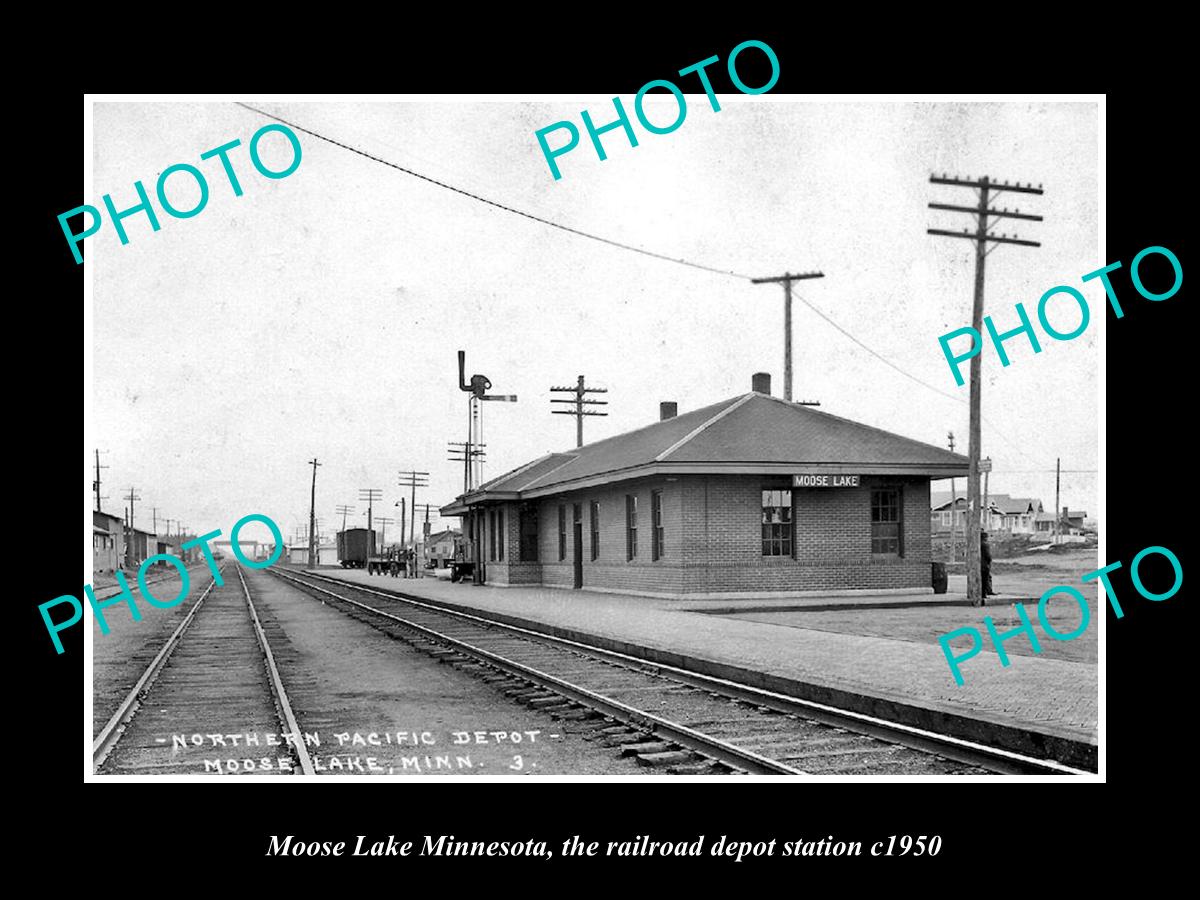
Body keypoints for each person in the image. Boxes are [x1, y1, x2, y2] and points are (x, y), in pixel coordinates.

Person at [980, 531, 994, 602]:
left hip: (979, 564)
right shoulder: (985, 545)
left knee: (982, 580)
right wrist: (989, 560)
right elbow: (988, 555)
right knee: (985, 580)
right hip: (984, 564)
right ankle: (984, 594)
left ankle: (982, 593)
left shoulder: (978, 544)